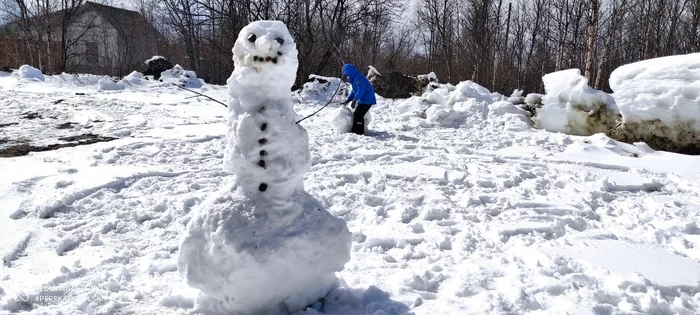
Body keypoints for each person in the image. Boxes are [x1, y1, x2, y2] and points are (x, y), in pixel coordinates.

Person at [341, 63, 376, 135]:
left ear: (350, 72)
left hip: (367, 100)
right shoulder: (355, 79)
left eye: (347, 75)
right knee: (357, 114)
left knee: (358, 115)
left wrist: (355, 100)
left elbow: (361, 90)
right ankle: (356, 131)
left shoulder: (358, 78)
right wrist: (349, 99)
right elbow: (354, 91)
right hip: (364, 100)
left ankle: (359, 132)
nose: (347, 77)